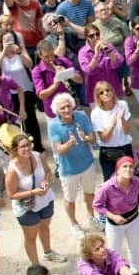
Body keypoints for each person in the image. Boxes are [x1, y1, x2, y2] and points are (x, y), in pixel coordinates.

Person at [3, 133, 65, 266]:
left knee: (45, 227)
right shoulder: (12, 170)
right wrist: (32, 192)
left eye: (28, 145)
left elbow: (48, 172)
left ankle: (48, 252)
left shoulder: (38, 156)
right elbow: (11, 195)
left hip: (45, 201)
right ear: (15, 150)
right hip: (27, 208)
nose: (27, 149)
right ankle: (36, 266)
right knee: (30, 237)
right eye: (22, 146)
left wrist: (46, 181)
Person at [47, 92, 99, 240]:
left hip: (87, 163)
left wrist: (87, 138)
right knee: (70, 199)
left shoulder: (81, 116)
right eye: (62, 108)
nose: (66, 110)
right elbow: (59, 150)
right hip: (68, 170)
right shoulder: (53, 126)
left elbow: (93, 138)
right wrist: (69, 144)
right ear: (57, 111)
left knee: (90, 193)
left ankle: (91, 216)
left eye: (68, 106)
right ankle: (74, 224)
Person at [93, 156, 139, 270]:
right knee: (114, 252)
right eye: (124, 166)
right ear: (118, 170)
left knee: (134, 248)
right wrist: (113, 216)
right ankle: (116, 272)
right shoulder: (106, 187)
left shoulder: (136, 182)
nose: (128, 169)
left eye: (131, 166)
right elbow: (97, 205)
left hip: (133, 220)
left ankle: (135, 271)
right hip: (115, 225)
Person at [90, 80, 135, 181]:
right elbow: (104, 139)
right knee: (110, 182)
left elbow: (127, 131)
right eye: (101, 92)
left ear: (112, 91)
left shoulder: (122, 105)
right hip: (108, 152)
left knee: (128, 180)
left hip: (125, 148)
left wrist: (122, 118)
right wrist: (112, 125)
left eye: (107, 90)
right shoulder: (95, 113)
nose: (105, 93)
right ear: (98, 96)